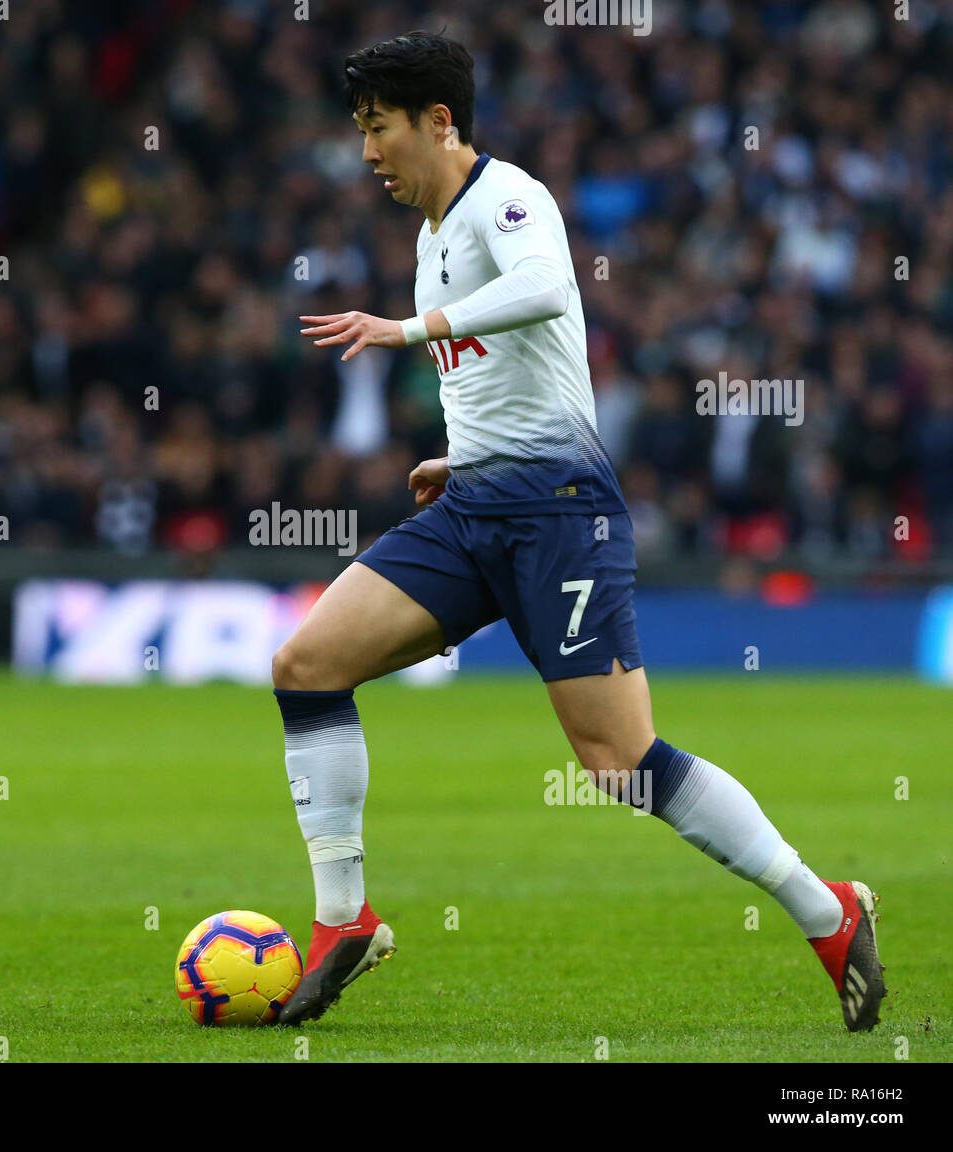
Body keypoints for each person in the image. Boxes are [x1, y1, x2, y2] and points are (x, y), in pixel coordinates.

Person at [272, 31, 885, 1029]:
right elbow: (510, 370)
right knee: (305, 663)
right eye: (359, 132)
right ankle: (345, 921)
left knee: (618, 762)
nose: (368, 152)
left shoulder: (506, 194)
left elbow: (550, 291)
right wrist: (456, 454)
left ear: (437, 121)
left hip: (558, 511)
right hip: (472, 506)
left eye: (378, 128)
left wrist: (404, 330)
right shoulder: (429, 241)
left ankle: (828, 913)